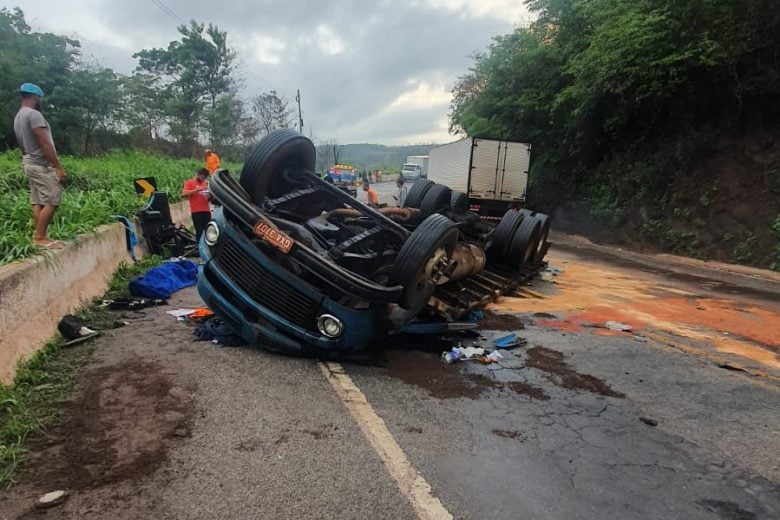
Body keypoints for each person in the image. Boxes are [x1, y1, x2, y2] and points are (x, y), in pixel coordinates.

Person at [13, 83, 67, 249]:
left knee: (38, 201)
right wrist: (57, 166)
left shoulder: (18, 116)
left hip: (28, 162)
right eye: (39, 98)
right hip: (40, 164)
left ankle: (40, 236)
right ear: (35, 97)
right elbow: (43, 141)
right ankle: (39, 237)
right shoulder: (34, 115)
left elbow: (21, 143)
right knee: (53, 199)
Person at [182, 168, 212, 243]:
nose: (203, 180)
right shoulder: (190, 183)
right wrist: (197, 190)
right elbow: (184, 193)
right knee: (199, 232)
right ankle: (199, 247)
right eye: (202, 177)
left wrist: (209, 196)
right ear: (198, 175)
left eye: (205, 178)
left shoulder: (206, 183)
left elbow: (210, 197)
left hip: (206, 211)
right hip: (196, 212)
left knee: (209, 232)